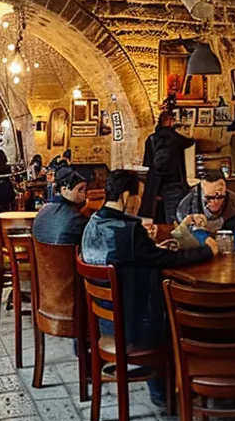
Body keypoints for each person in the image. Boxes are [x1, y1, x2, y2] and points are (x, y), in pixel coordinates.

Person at [80, 170, 211, 407]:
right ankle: (164, 393)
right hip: (130, 325)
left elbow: (136, 256)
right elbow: (167, 261)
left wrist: (150, 249)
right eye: (138, 196)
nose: (140, 201)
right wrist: (208, 250)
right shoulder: (128, 231)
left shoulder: (93, 222)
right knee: (176, 319)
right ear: (127, 196)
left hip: (102, 320)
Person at [139, 110, 195, 224]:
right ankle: (172, 240)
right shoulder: (175, 137)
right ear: (169, 121)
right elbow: (190, 142)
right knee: (174, 219)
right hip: (173, 182)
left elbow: (147, 162)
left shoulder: (151, 139)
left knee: (151, 219)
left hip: (154, 184)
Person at [174, 170, 235, 234]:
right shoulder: (187, 207)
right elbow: (180, 234)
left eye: (220, 197)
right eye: (209, 197)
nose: (215, 201)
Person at [32, 168, 89, 246]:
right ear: (64, 190)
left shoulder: (43, 210)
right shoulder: (76, 219)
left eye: (85, 190)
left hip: (39, 257)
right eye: (80, 190)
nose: (84, 195)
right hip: (66, 258)